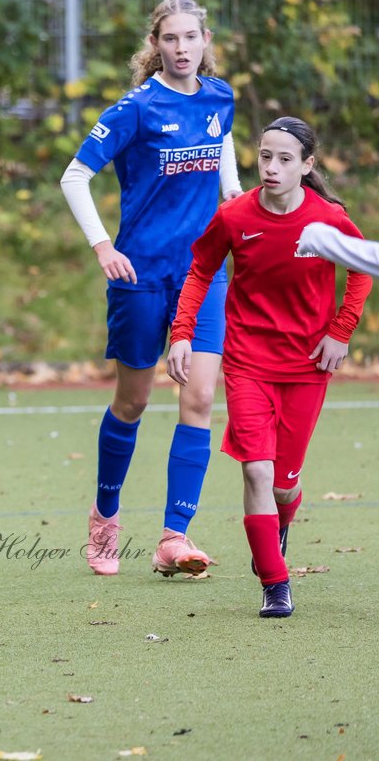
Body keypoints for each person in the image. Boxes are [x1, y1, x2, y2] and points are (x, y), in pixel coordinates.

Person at [60, 0, 244, 577]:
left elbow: (222, 147)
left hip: (202, 275)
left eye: (192, 37)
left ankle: (174, 537)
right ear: (156, 45)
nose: (183, 48)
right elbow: (75, 176)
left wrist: (235, 196)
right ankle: (105, 518)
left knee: (199, 399)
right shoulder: (134, 109)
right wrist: (103, 246)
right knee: (133, 401)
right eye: (171, 39)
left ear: (205, 41)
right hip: (139, 276)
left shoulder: (220, 97)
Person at [166, 117, 371, 618]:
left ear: (307, 166)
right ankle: (275, 583)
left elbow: (362, 266)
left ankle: (280, 523)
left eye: (284, 159)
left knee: (283, 483)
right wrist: (182, 334)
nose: (272, 167)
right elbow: (200, 270)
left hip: (306, 366)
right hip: (248, 361)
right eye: (264, 157)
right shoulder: (235, 216)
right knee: (256, 470)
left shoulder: (327, 219)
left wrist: (341, 331)